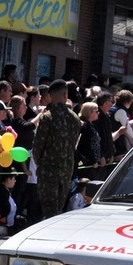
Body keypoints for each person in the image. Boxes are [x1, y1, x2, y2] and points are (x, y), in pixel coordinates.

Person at [32, 79, 81, 219]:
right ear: (65, 95)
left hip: (48, 171)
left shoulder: (48, 117)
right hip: (66, 171)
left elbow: (38, 146)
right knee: (58, 210)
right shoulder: (75, 118)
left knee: (49, 212)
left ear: (50, 96)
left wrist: (41, 164)